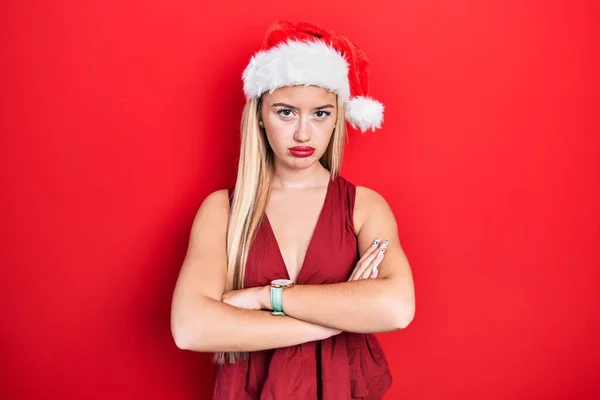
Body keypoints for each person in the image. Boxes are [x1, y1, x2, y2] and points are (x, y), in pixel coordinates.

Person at [170, 20, 415, 400]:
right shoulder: (222, 211)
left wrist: (266, 298)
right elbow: (190, 328)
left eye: (321, 113)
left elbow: (397, 308)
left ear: (338, 116)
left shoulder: (364, 207)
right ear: (260, 115)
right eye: (286, 112)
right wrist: (341, 315)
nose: (304, 134)